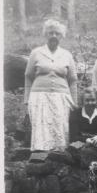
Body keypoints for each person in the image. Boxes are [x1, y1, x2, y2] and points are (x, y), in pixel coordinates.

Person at [24, 19, 78, 151]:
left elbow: (72, 80)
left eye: (57, 33)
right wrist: (27, 99)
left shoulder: (67, 55)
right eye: (50, 33)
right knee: (41, 128)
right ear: (45, 34)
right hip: (39, 96)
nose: (54, 36)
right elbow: (28, 76)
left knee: (59, 127)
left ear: (61, 36)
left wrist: (74, 101)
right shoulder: (36, 53)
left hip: (61, 97)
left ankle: (59, 158)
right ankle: (39, 157)